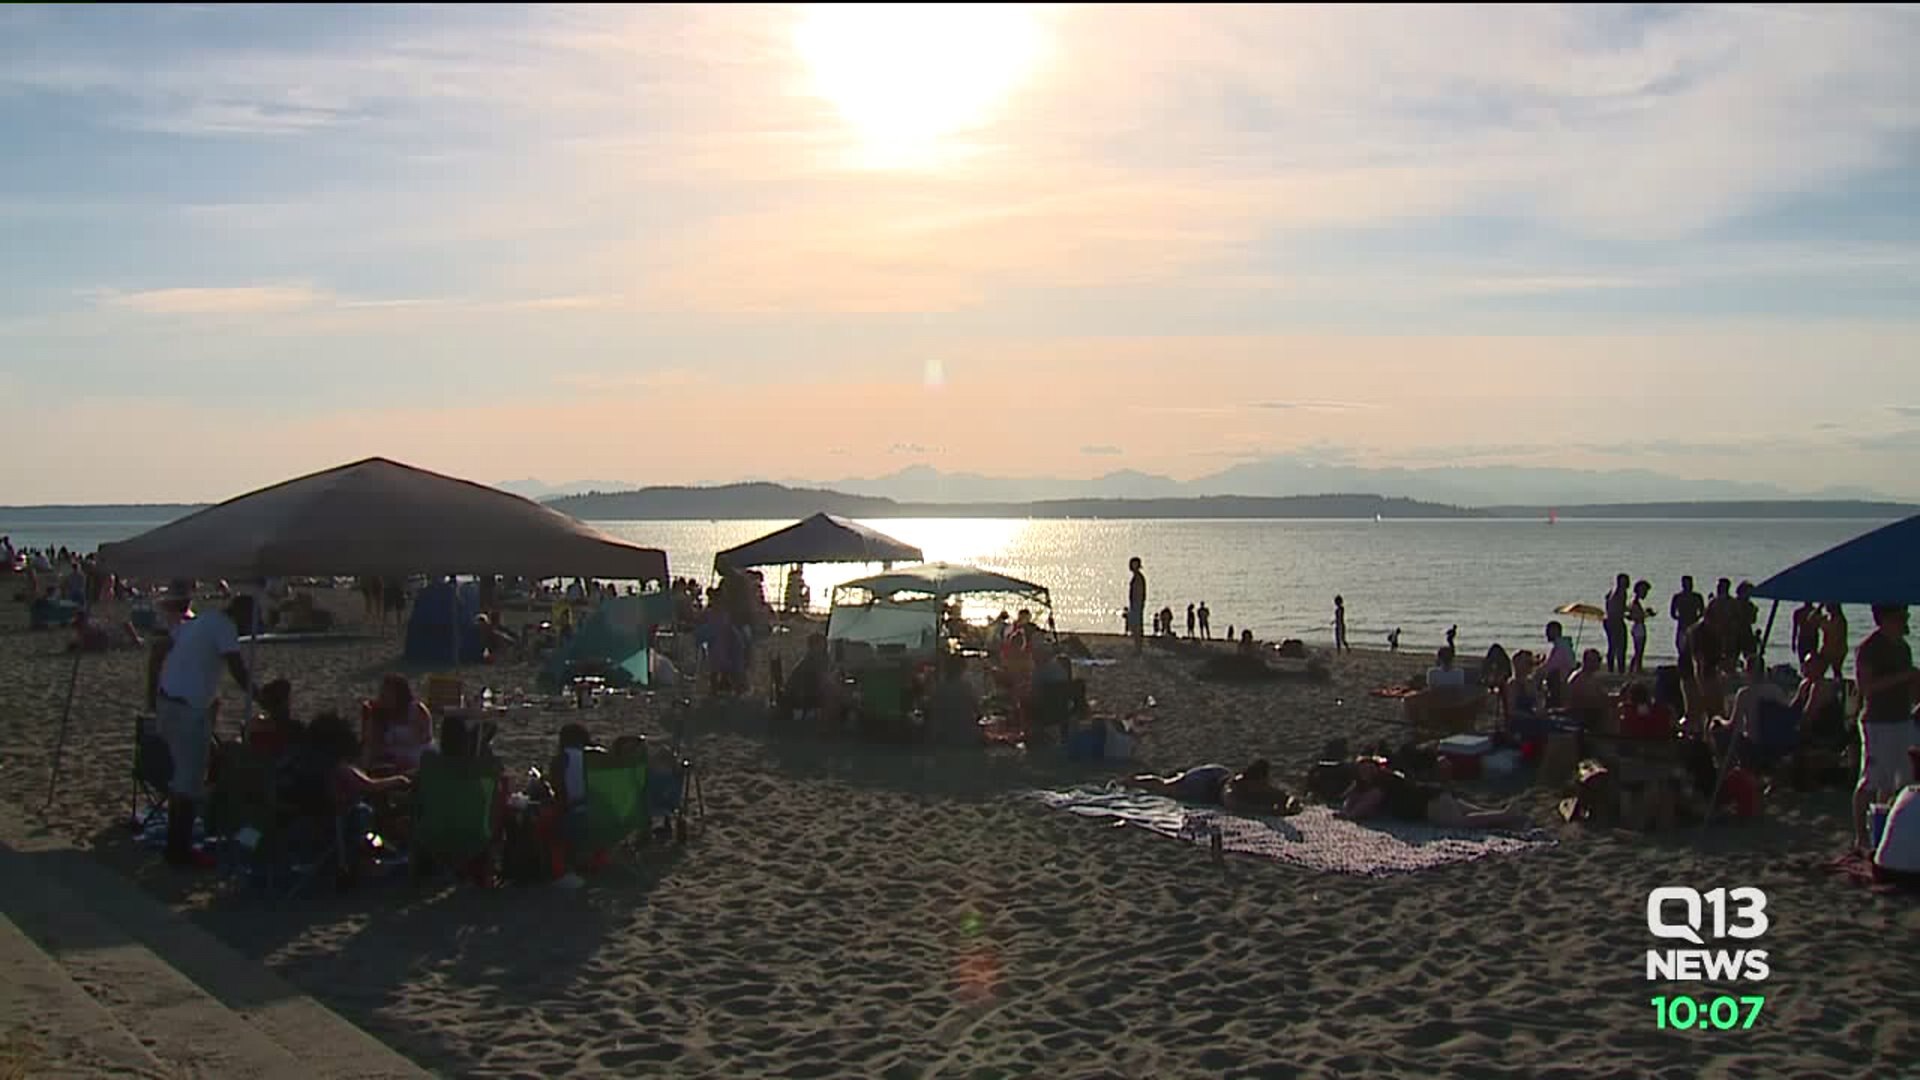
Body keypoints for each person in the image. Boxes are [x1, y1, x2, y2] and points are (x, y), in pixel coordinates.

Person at [152, 595, 253, 868]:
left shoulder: (201, 621)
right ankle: (178, 850)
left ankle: (177, 846)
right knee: (188, 782)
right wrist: (259, 694)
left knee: (182, 778)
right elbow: (237, 668)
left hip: (168, 702)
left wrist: (152, 695)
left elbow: (160, 649)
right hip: (187, 710)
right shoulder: (224, 627)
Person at [1852, 604, 1919, 852]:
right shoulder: (1870, 649)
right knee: (1872, 778)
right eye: (1900, 617)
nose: (1904, 621)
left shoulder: (1903, 648)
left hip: (1902, 719)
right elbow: (1866, 687)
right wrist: (1903, 677)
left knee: (1903, 778)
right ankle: (1861, 836)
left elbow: (1911, 688)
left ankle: (1886, 830)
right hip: (1878, 722)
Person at [1339, 757, 1531, 829]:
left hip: (1427, 804)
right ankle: (1508, 816)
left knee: (1461, 823)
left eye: (1368, 769)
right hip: (1433, 795)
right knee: (1473, 812)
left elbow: (1358, 811)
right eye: (1362, 771)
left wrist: (1350, 806)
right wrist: (1355, 791)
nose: (1366, 773)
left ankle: (1506, 814)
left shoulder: (1380, 785)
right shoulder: (1387, 779)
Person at [365, 673, 433, 773]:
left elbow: (426, 737)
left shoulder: (416, 710)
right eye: (383, 692)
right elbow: (372, 742)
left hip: (418, 754)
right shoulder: (379, 713)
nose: (384, 695)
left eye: (388, 692)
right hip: (390, 758)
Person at [1220, 760, 1301, 816]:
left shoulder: (1262, 787)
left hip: (1224, 772)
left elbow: (1286, 796)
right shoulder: (1232, 790)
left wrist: (1291, 804)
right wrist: (1273, 811)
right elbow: (1239, 807)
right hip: (1210, 780)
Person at [1128, 763, 1233, 804]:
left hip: (1216, 778)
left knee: (1165, 786)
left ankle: (1134, 780)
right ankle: (1133, 781)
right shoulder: (1194, 785)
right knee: (1165, 786)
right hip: (1210, 779)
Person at [1670, 575, 1706, 660]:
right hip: (1687, 624)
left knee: (1689, 648)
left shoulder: (1694, 597)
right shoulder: (1693, 597)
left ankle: (1684, 666)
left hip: (1689, 624)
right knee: (1684, 647)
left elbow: (1673, 614)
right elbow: (1702, 612)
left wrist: (1680, 617)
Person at [1628, 579, 1653, 674]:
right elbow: (1637, 617)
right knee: (1639, 650)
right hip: (1638, 627)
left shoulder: (1634, 602)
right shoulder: (1635, 602)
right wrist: (1646, 614)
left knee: (1639, 650)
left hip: (1638, 627)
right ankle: (1636, 668)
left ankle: (1636, 668)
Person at [1126, 557, 1146, 655]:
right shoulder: (1136, 577)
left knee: (1137, 626)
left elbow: (1140, 593)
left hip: (1137, 605)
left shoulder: (1139, 578)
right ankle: (1137, 647)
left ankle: (1138, 648)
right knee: (1135, 626)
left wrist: (1138, 604)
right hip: (1135, 604)